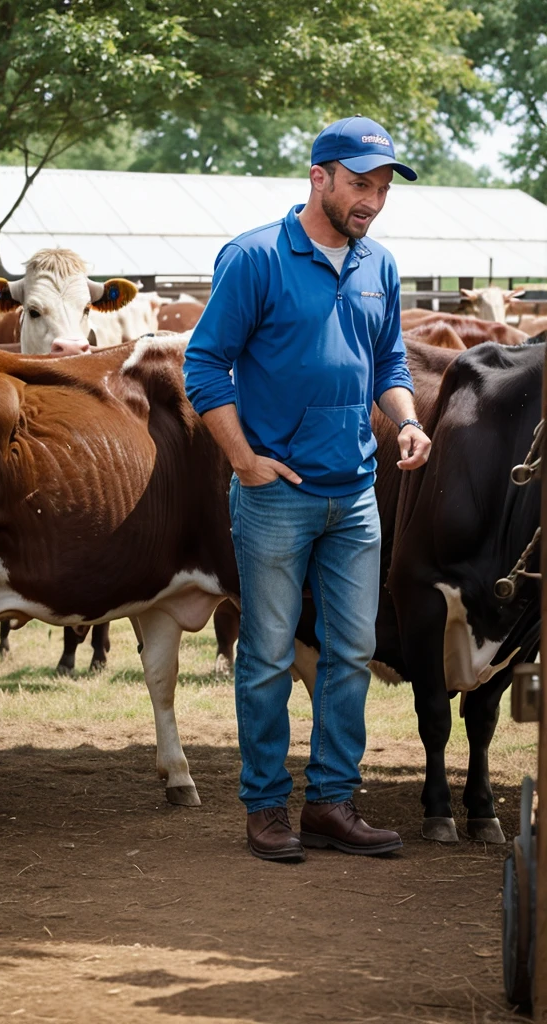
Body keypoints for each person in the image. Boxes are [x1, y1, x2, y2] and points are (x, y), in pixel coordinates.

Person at [183, 116, 432, 863]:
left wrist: (409, 421)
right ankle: (265, 806)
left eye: (384, 187)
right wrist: (245, 461)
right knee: (265, 655)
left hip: (356, 492)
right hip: (274, 496)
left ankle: (329, 801)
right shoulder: (255, 256)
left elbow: (387, 362)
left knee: (352, 650)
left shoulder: (378, 264)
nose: (373, 201)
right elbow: (204, 368)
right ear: (318, 176)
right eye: (361, 184)